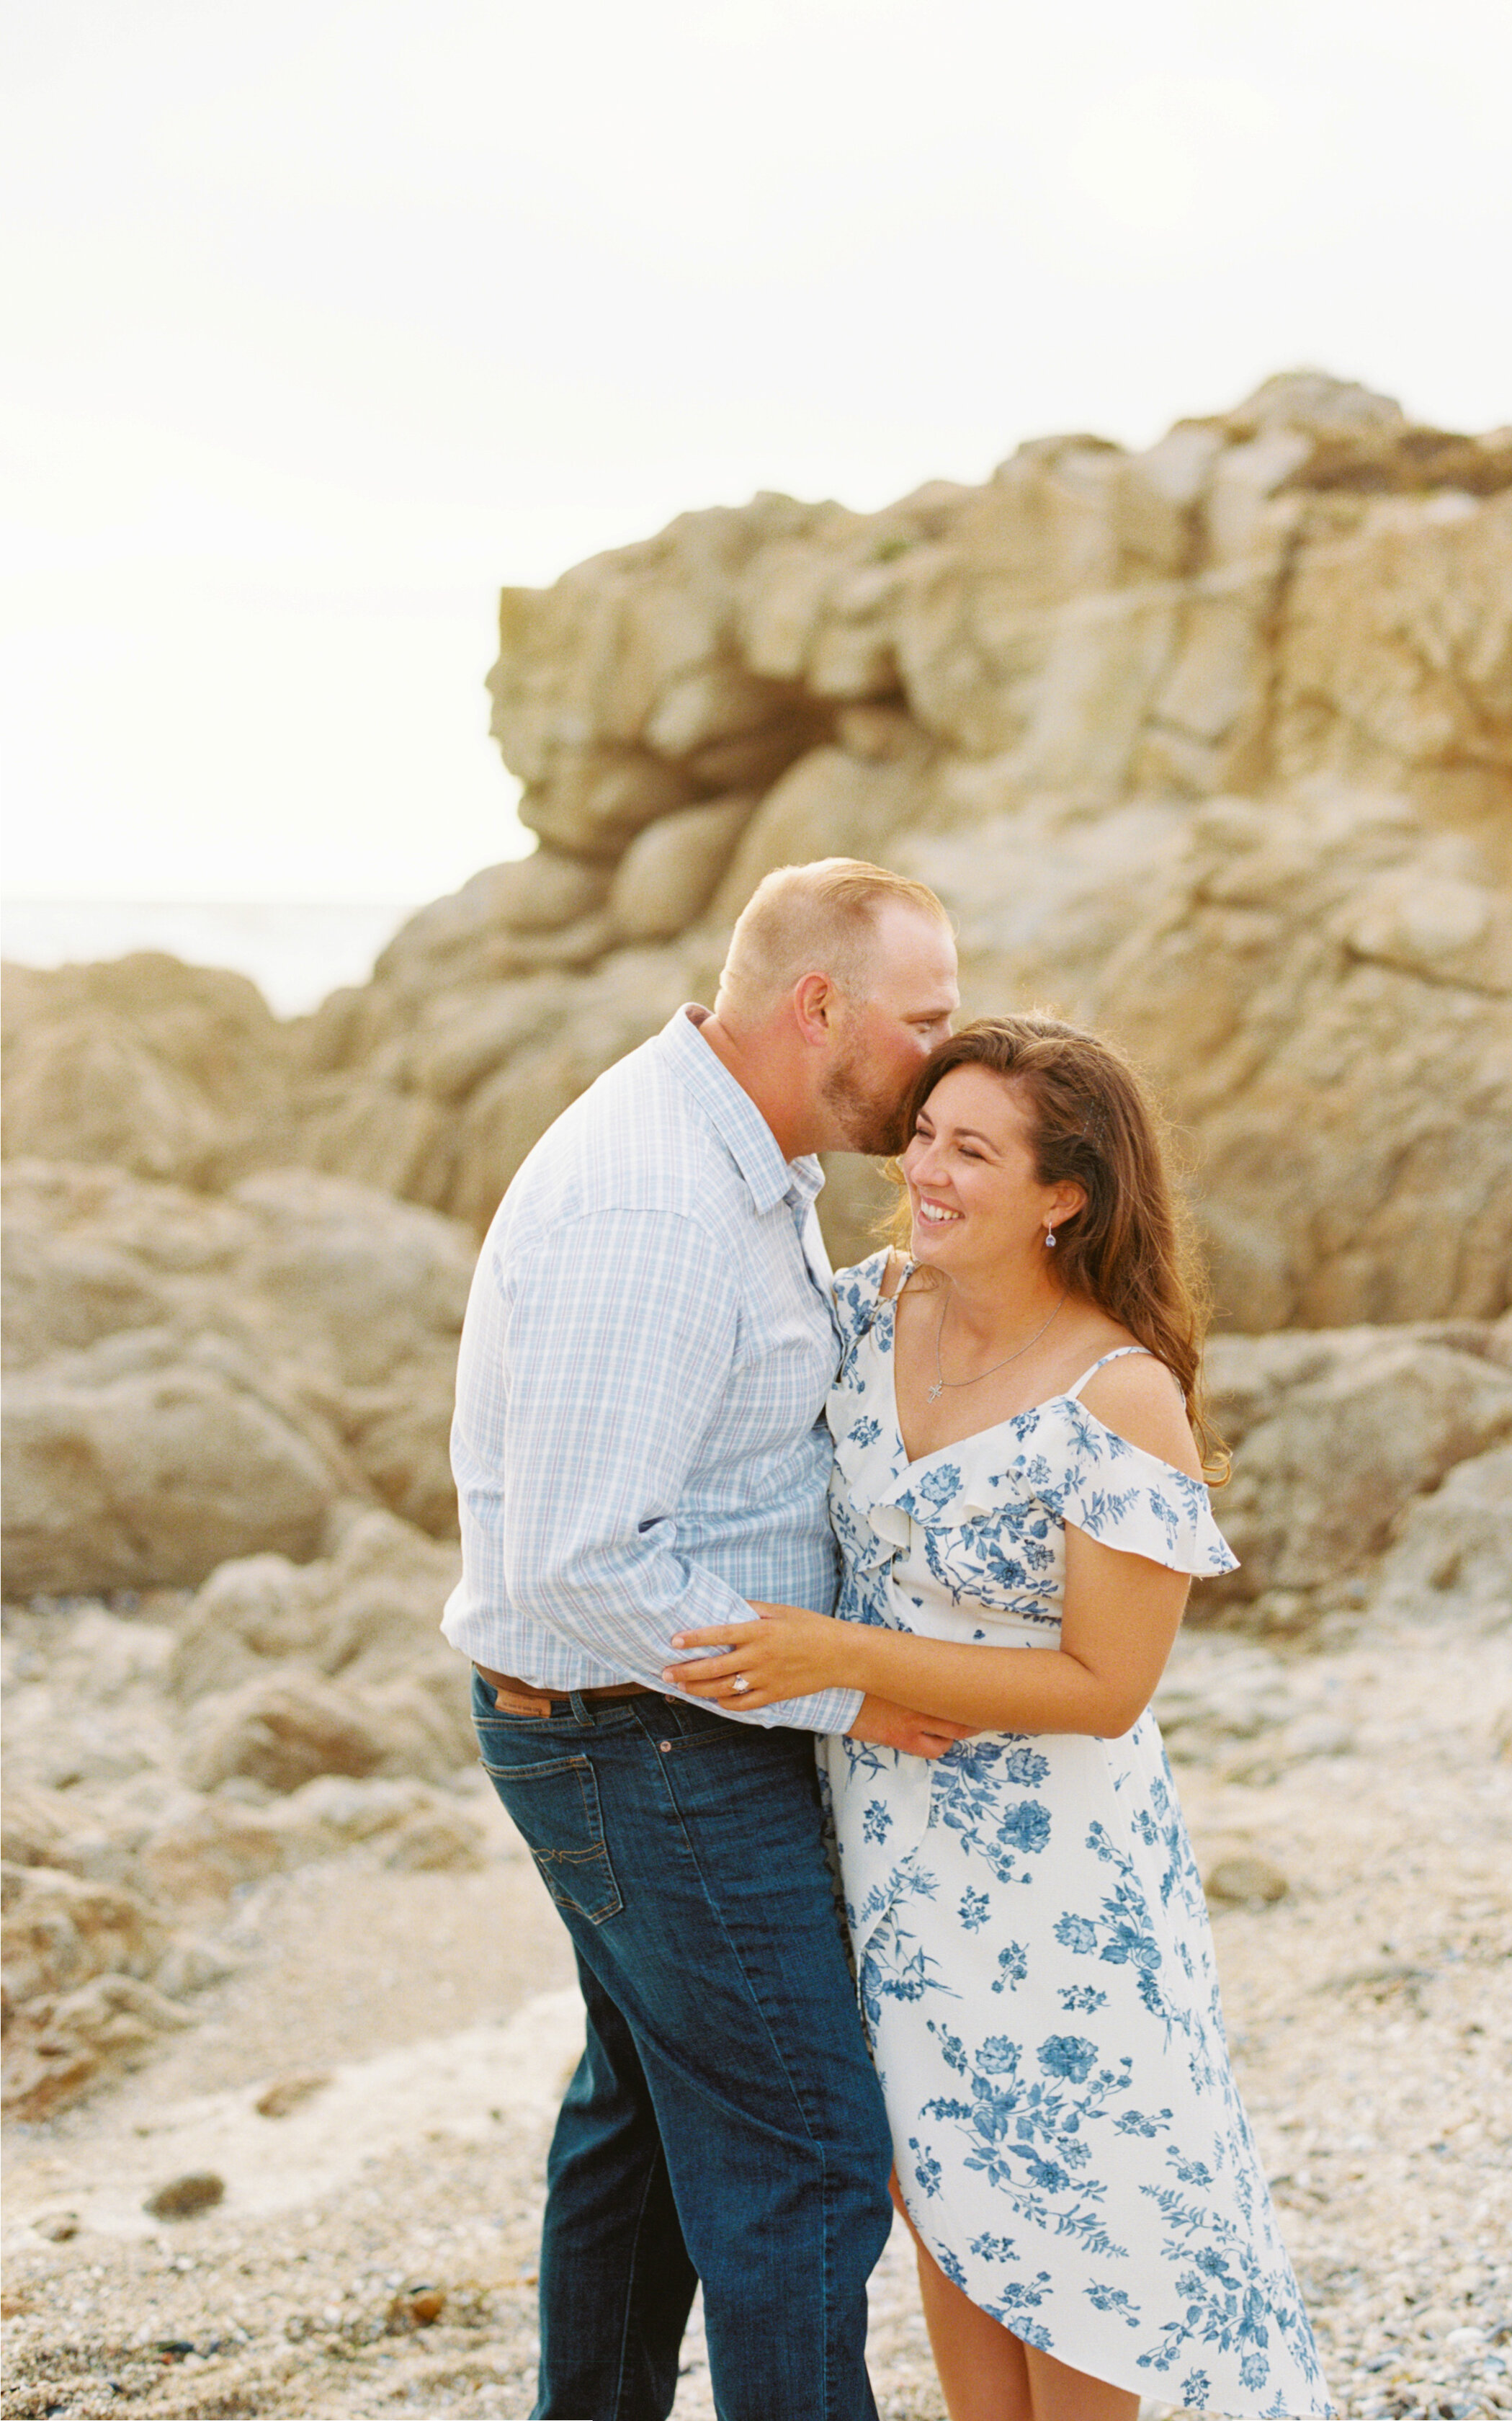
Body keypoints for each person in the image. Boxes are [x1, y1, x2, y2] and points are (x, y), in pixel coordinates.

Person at [666, 1015, 1331, 2421]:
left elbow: (1108, 1686)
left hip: (1063, 1900)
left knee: (1082, 2241)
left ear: (1063, 1194)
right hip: (890, 1870)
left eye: (971, 1149)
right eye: (921, 1137)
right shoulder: (861, 1317)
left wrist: (834, 1659)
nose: (926, 1170)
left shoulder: (1118, 1398)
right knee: (955, 2219)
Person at [442, 858, 966, 2421]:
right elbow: (582, 1557)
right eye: (926, 1018)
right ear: (821, 1006)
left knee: (652, 2132)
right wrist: (847, 1688)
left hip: (637, 1728)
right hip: (643, 1740)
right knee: (807, 2147)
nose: (946, 1051)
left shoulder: (743, 1160)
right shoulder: (650, 1197)